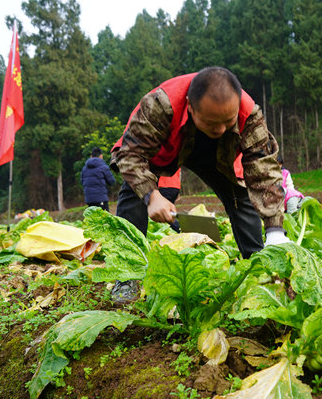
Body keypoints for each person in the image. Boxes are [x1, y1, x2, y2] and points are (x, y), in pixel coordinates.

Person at [110, 67, 289, 302]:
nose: (220, 129)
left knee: (240, 196)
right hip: (167, 146)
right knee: (133, 195)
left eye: (228, 121)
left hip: (219, 154)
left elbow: (264, 171)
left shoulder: (249, 113)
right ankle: (126, 275)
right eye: (211, 122)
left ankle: (257, 266)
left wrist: (275, 229)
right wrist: (151, 195)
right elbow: (131, 155)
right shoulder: (161, 104)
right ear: (191, 107)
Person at [81, 147, 115, 211]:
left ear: (91, 156)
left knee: (93, 218)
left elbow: (82, 182)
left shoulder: (84, 168)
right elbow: (111, 181)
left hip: (89, 199)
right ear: (101, 156)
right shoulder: (103, 166)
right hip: (101, 198)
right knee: (104, 218)